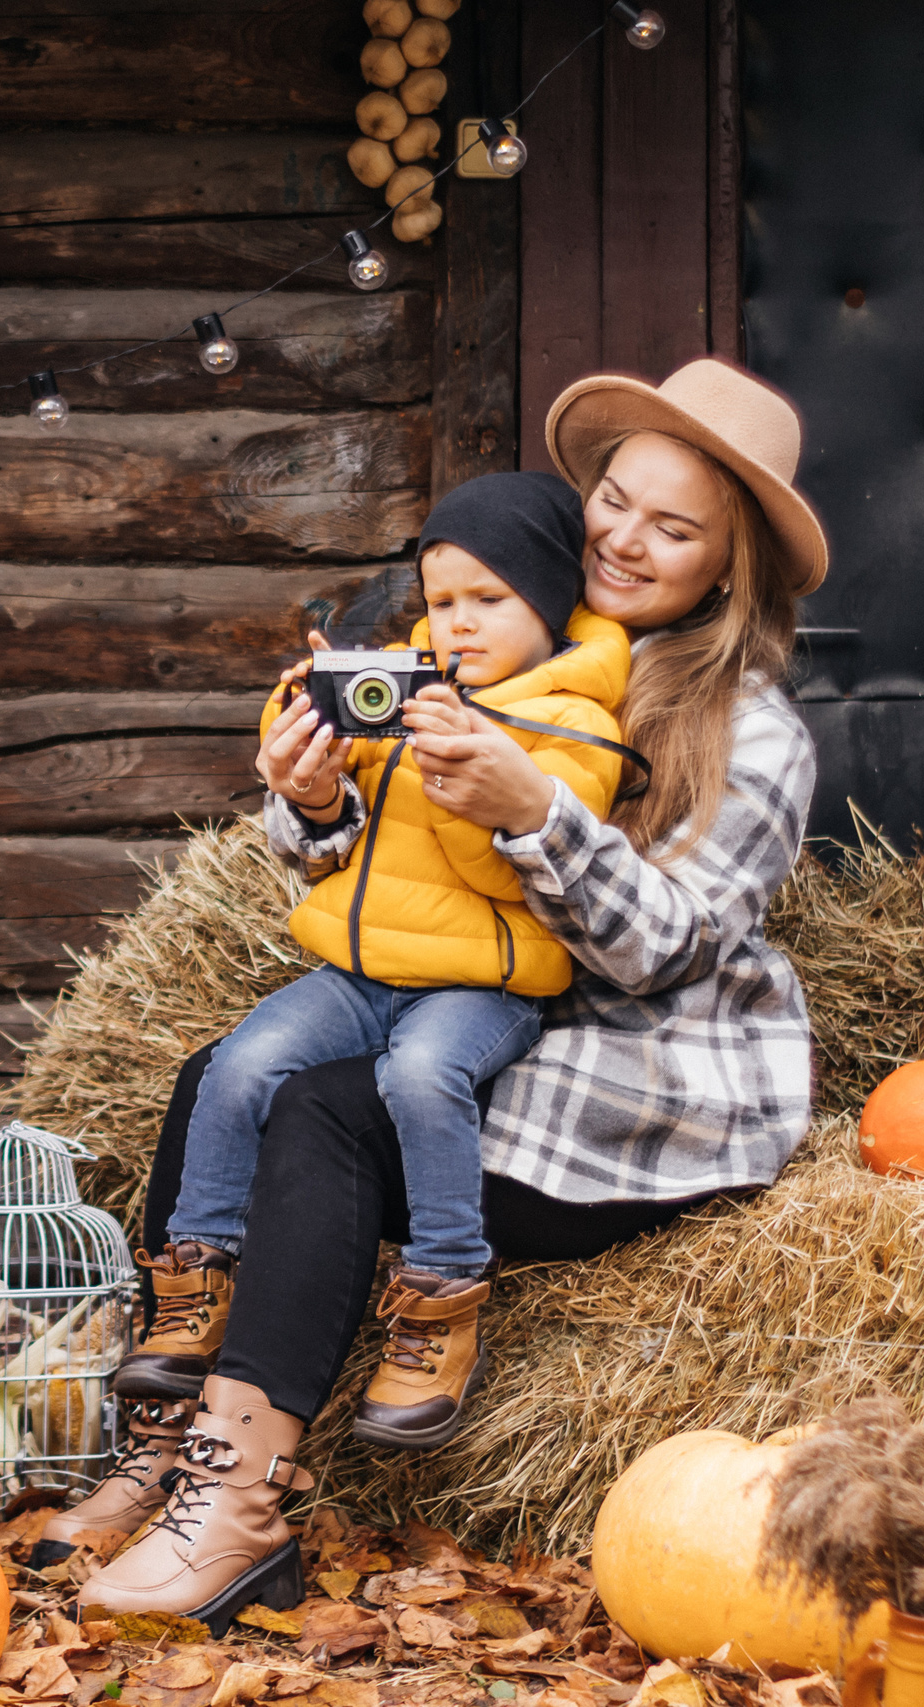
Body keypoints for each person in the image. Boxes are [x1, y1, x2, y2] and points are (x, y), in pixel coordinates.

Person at [67, 358, 830, 1630]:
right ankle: (160, 1444)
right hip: (476, 1021)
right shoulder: (482, 637)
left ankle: (234, 1509)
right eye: (616, 499)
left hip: (627, 1085)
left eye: (675, 527)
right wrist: (313, 799)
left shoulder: (750, 734)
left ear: (726, 567)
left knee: (325, 1110)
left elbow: (666, 954)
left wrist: (537, 814)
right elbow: (378, 861)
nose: (626, 541)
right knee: (223, 1073)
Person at [108, 473, 634, 1456]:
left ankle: (438, 1296)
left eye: (491, 600)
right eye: (443, 602)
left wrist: (466, 777)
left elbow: (508, 879)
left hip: (487, 980)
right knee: (241, 1062)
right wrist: (300, 746)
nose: (460, 626)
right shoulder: (400, 684)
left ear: (553, 601)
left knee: (419, 1077)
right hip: (364, 970)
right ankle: (194, 1281)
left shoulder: (576, 722)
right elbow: (324, 827)